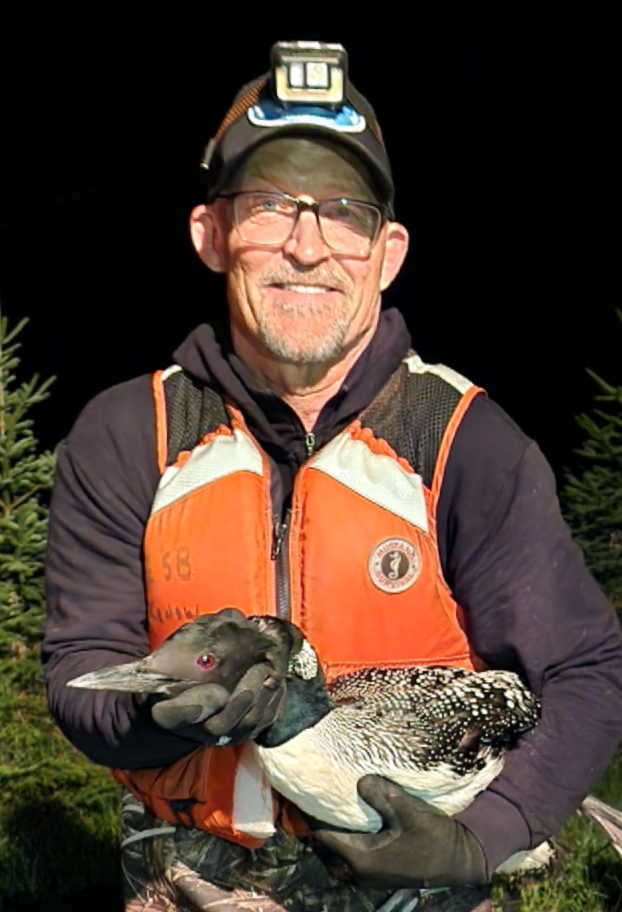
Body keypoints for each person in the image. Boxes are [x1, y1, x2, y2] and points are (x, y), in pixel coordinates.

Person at [43, 41, 622, 912]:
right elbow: (81, 669)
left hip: (417, 880)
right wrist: (156, 715)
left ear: (387, 253)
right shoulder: (129, 435)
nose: (307, 247)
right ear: (212, 234)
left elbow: (586, 668)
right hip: (188, 874)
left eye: (344, 211)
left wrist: (479, 840)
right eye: (270, 203)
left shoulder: (465, 440)